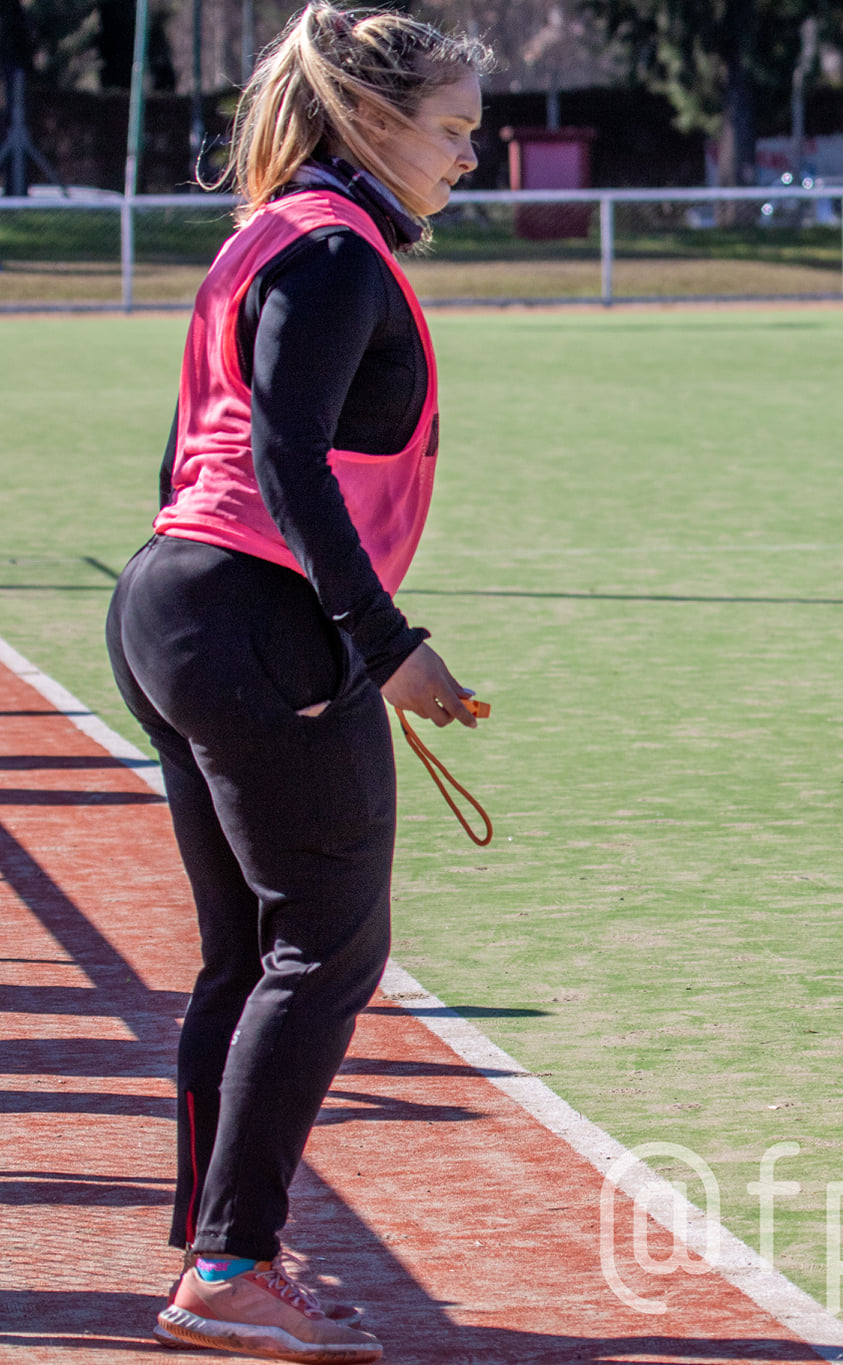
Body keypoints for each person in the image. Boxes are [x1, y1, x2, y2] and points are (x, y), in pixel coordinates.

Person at [103, 6, 492, 1358]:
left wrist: (212, 629)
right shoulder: (333, 252)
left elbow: (188, 461)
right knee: (331, 947)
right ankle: (232, 1259)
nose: (468, 157)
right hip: (250, 619)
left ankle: (220, 1244)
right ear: (372, 122)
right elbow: (286, 463)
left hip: (176, 605)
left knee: (250, 955)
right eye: (451, 129)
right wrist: (383, 644)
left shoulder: (271, 234)